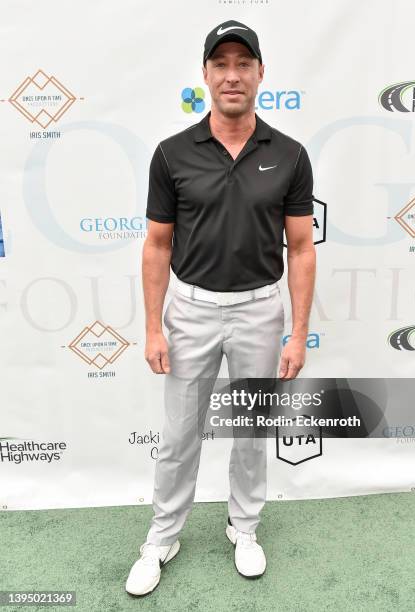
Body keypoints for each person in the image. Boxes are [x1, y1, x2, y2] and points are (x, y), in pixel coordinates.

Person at [125, 19, 316, 597]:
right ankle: (162, 538)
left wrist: (298, 332)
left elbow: (302, 249)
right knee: (181, 434)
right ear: (205, 74)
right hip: (191, 311)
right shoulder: (172, 153)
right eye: (221, 64)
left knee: (252, 431)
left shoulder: (289, 154)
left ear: (260, 73)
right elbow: (158, 245)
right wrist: (153, 328)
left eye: (244, 64)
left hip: (260, 309)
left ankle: (245, 527)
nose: (232, 75)